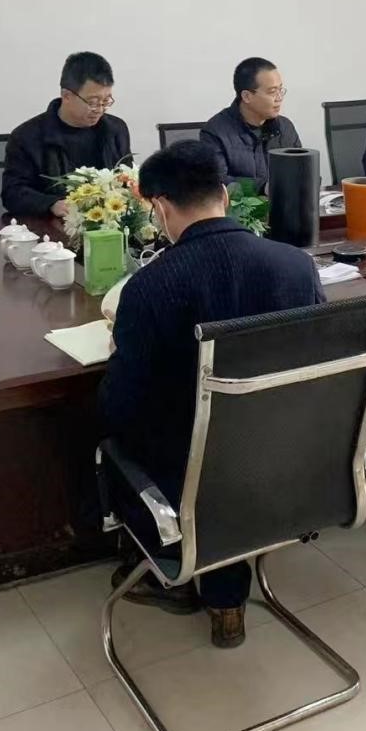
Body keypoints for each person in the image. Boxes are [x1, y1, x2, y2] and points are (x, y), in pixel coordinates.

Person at [100, 140, 324, 648]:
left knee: (126, 433)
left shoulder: (150, 288)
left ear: (159, 207)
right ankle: (225, 595)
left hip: (194, 479)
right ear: (223, 194)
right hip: (289, 464)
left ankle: (175, 570)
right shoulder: (295, 266)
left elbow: (121, 407)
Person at [2, 52, 131, 219]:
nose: (99, 109)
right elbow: (12, 193)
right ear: (66, 96)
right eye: (92, 102)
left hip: (108, 222)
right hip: (52, 227)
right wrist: (51, 204)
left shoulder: (115, 130)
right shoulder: (27, 137)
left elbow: (127, 179)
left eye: (106, 101)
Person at [199, 56, 302, 192]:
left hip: (285, 203)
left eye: (280, 90)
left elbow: (302, 169)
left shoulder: (284, 127)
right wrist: (263, 187)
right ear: (247, 96)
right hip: (240, 205)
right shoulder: (215, 132)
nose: (279, 98)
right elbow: (217, 183)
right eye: (272, 92)